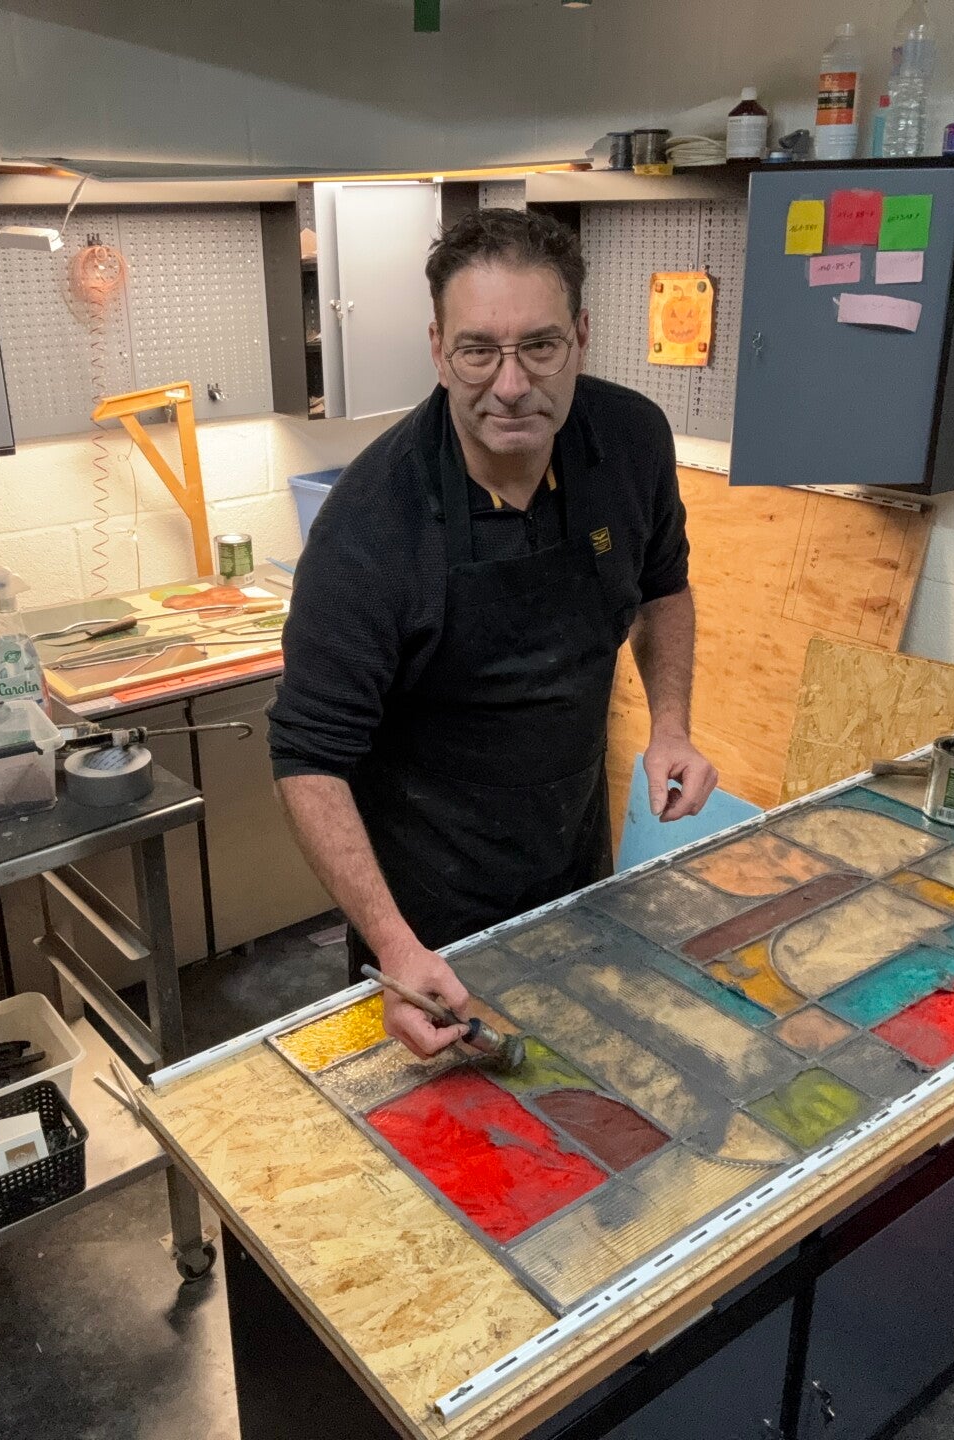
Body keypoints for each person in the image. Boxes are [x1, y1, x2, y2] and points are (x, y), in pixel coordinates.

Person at [268, 208, 718, 1058]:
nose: (510, 385)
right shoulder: (371, 523)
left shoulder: (630, 442)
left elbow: (663, 587)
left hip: (577, 867)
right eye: (478, 351)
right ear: (439, 350)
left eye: (540, 346)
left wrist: (671, 727)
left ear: (581, 337)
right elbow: (307, 756)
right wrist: (396, 949)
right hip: (427, 919)